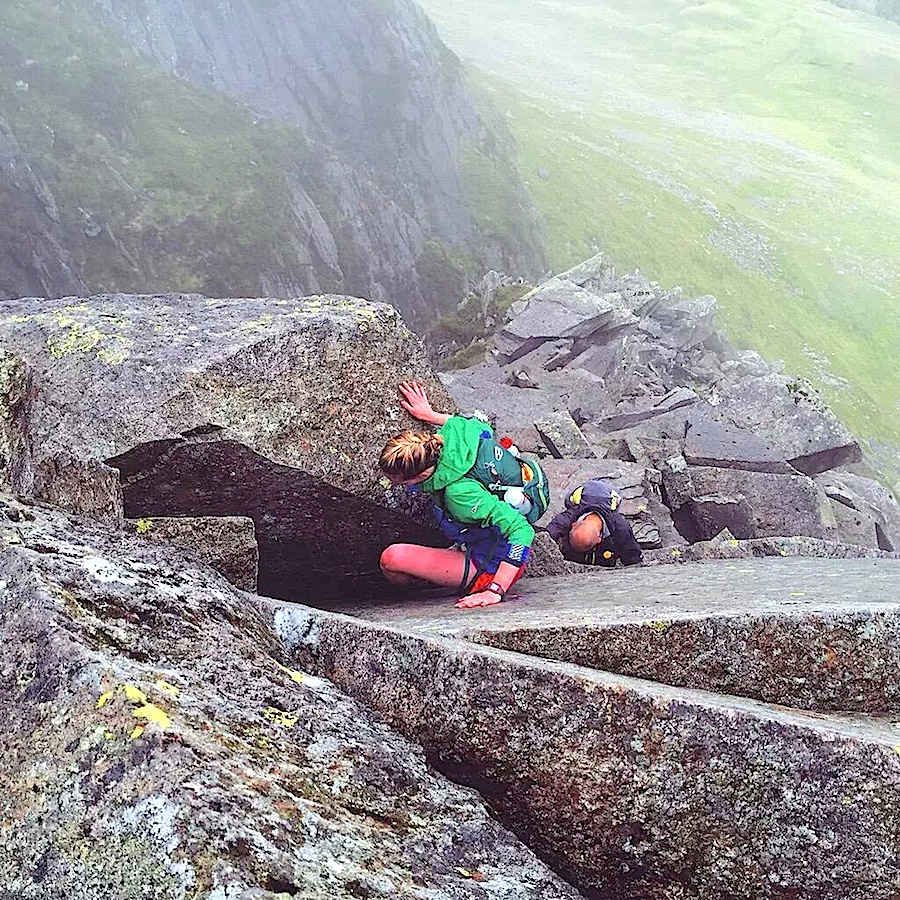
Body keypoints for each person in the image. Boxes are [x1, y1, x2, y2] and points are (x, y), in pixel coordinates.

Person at [379, 381, 534, 609]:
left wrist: (495, 590)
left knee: (392, 558)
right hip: (478, 537)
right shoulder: (457, 435)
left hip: (490, 561)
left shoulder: (460, 494)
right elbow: (477, 427)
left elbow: (522, 530)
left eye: (398, 481)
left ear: (420, 476)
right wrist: (429, 414)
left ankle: (425, 590)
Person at [545, 479, 643, 567]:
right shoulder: (565, 519)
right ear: (573, 525)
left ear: (599, 539)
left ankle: (603, 482)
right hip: (582, 495)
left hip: (609, 497)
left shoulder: (620, 527)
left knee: (614, 505)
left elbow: (633, 559)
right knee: (570, 501)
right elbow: (546, 535)